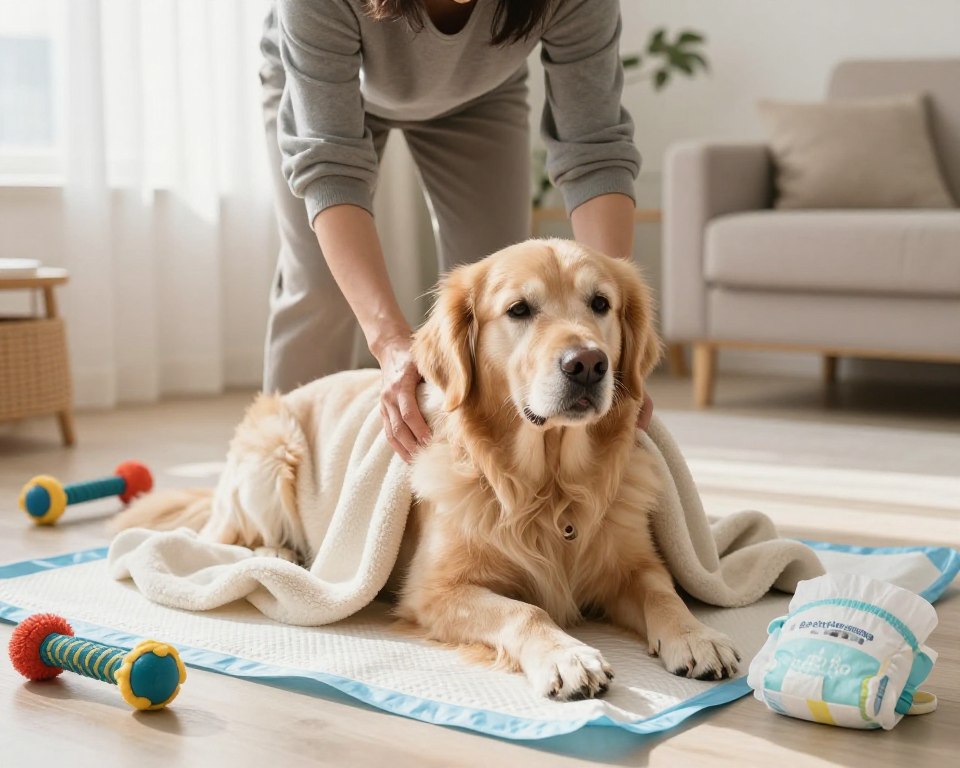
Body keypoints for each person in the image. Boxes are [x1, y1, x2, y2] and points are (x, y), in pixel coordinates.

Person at [260, 0, 650, 461]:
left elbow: (594, 146)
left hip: (480, 94)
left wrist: (607, 335)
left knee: (503, 295)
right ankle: (271, 465)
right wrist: (390, 343)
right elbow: (331, 168)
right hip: (325, 92)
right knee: (321, 291)